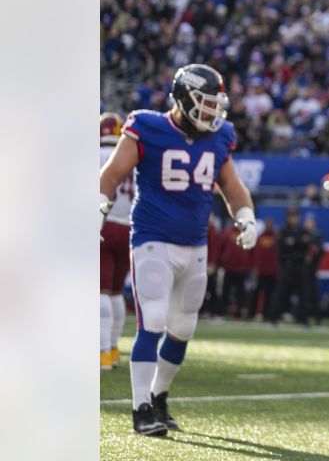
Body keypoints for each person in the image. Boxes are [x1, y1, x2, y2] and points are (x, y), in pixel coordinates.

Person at [98, 64, 260, 436]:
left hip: (195, 245)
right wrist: (98, 209)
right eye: (205, 104)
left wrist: (247, 217)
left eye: (216, 105)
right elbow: (110, 175)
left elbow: (232, 187)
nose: (212, 114)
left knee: (184, 326)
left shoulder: (220, 137)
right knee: (152, 320)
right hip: (153, 239)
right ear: (184, 99)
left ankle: (159, 396)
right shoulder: (147, 127)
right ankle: (140, 409)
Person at [99, 112, 132, 371]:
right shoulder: (129, 155)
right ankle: (111, 348)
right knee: (116, 291)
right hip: (129, 227)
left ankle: (101, 353)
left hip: (104, 225)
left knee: (99, 291)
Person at [270, 207, 316, 327]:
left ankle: (303, 319)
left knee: (304, 293)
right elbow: (282, 247)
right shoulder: (284, 231)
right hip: (287, 264)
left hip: (300, 265)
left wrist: (294, 242)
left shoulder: (302, 231)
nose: (293, 219)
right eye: (291, 216)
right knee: (280, 292)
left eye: (295, 216)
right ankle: (274, 318)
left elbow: (306, 245)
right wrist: (298, 243)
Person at [218, 219, 254, 319]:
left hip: (241, 269)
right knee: (225, 291)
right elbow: (221, 248)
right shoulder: (227, 233)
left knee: (240, 293)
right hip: (229, 267)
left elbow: (251, 251)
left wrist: (249, 265)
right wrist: (221, 262)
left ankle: (239, 312)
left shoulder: (247, 234)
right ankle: (222, 311)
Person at [251, 219, 279, 320]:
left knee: (271, 294)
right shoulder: (260, 238)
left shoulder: (276, 238)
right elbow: (256, 255)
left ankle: (269, 314)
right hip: (261, 271)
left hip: (272, 271)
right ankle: (257, 312)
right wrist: (255, 268)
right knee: (258, 293)